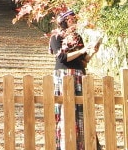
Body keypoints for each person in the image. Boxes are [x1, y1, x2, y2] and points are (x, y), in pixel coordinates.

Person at [49, 9, 101, 150]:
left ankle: (82, 145)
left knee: (81, 109)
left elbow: (83, 62)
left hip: (78, 74)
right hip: (63, 75)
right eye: (71, 19)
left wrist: (92, 52)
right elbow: (61, 57)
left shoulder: (77, 37)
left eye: (74, 19)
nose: (74, 22)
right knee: (64, 109)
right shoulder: (56, 37)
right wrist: (82, 51)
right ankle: (63, 144)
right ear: (64, 22)